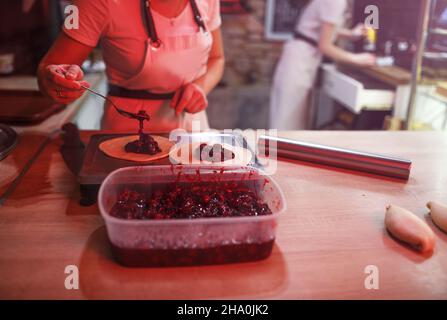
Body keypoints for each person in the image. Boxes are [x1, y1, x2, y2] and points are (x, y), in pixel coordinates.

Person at [37, 0, 224, 132]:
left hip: (193, 129)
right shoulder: (94, 3)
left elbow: (217, 58)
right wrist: (55, 82)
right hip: (127, 133)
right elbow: (51, 68)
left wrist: (200, 87)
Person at [269, 0, 376, 130]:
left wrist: (351, 34)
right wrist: (356, 59)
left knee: (290, 123)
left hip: (300, 58)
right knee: (287, 125)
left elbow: (323, 27)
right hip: (299, 62)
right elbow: (325, 46)